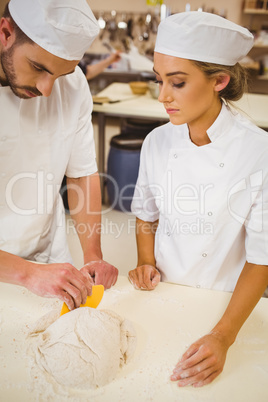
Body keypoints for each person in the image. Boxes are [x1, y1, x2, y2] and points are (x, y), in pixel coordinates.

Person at [128, 12, 268, 387]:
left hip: (225, 306)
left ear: (219, 80)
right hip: (163, 295)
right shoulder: (157, 141)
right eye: (159, 81)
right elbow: (146, 214)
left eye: (177, 82)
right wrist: (145, 261)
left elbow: (261, 259)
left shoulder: (258, 152)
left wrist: (223, 336)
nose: (163, 96)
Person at [0, 0, 118, 311]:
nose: (47, 89)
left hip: (46, 258)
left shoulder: (74, 85)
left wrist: (93, 254)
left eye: (61, 74)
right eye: (38, 67)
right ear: (6, 32)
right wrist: (26, 274)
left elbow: (80, 173)